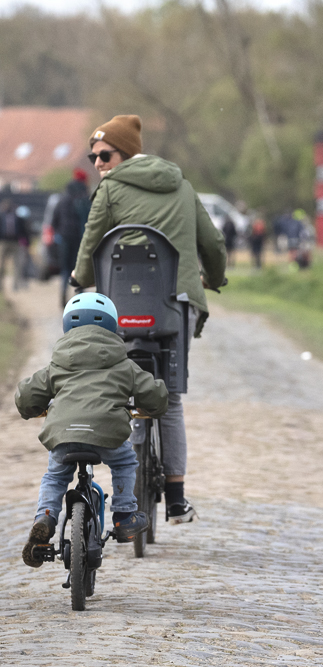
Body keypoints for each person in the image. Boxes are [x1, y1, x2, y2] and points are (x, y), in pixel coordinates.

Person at [72, 114, 227, 524]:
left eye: (105, 154)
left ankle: (126, 496)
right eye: (93, 156)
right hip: (175, 302)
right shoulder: (182, 185)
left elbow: (93, 241)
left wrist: (80, 277)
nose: (98, 163)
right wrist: (217, 275)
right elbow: (211, 241)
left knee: (124, 391)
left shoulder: (109, 190)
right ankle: (176, 499)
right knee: (170, 397)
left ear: (126, 153)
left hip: (121, 307)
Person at [19, 293, 168, 567]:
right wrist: (155, 408)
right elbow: (153, 394)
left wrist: (32, 409)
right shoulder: (122, 363)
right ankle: (124, 514)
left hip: (63, 435)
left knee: (54, 477)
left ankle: (46, 517)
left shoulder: (58, 363)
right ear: (112, 327)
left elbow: (27, 395)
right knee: (125, 460)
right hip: (107, 434)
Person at [52, 168, 91, 307]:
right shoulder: (86, 198)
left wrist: (59, 234)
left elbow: (54, 220)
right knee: (79, 268)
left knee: (65, 269)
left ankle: (63, 296)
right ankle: (79, 299)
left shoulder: (63, 199)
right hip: (80, 240)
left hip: (64, 239)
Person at [0, 198, 30, 293]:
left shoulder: (17, 218)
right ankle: (1, 286)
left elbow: (23, 230)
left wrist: (27, 242)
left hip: (15, 243)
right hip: (3, 242)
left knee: (17, 265)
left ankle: (15, 285)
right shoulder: (1, 217)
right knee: (1, 265)